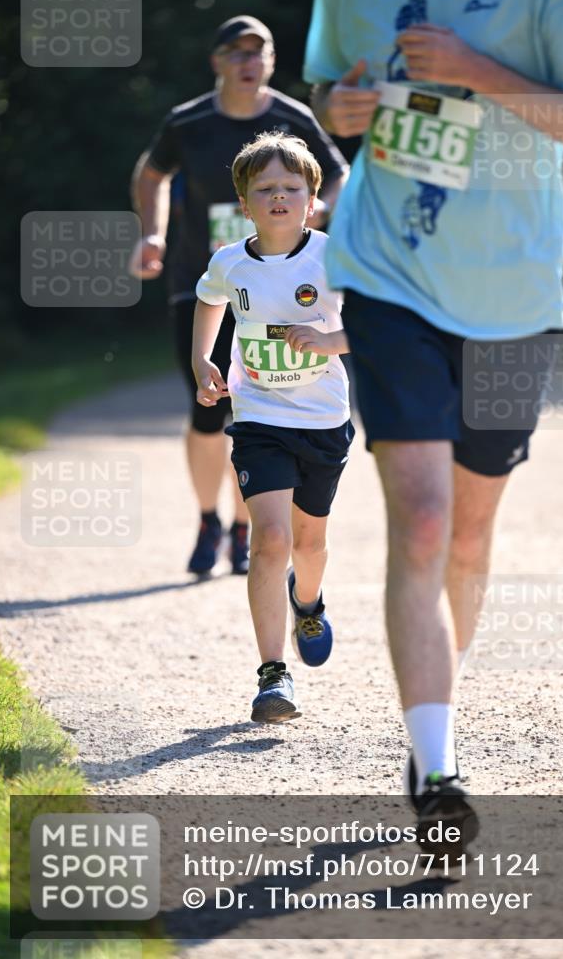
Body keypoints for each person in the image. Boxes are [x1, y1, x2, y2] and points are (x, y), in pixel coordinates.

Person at [304, 0, 563, 839]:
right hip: (386, 274)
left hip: (514, 296)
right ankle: (436, 765)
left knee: (472, 531)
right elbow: (332, 93)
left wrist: (473, 70)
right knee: (422, 521)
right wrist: (344, 112)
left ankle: (433, 709)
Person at [129, 16, 348, 576]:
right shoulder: (189, 122)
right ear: (218, 61)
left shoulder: (292, 119)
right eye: (237, 52)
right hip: (204, 281)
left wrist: (319, 215)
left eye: (260, 52)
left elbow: (337, 177)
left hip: (280, 285)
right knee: (209, 406)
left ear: (271, 61)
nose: (249, 62)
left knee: (264, 398)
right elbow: (151, 175)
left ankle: (248, 520)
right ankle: (209, 519)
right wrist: (152, 233)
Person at [192, 132, 354, 723]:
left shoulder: (335, 258)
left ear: (312, 198)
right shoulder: (229, 261)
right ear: (245, 202)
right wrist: (201, 359)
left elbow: (378, 321)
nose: (280, 196)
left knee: (309, 545)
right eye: (266, 189)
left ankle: (307, 603)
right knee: (272, 539)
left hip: (323, 420)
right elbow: (209, 300)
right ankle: (272, 676)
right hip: (258, 417)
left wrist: (331, 340)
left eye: (292, 187)